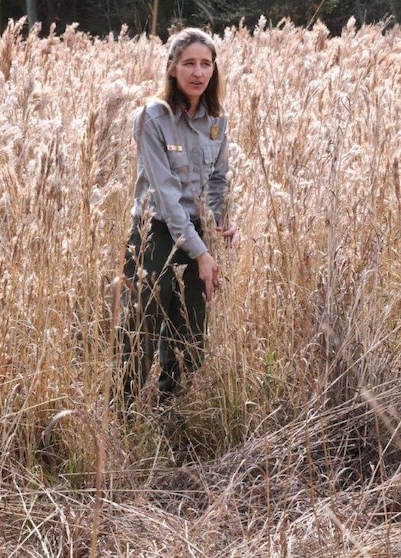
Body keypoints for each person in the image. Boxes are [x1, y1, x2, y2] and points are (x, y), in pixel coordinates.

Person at [116, 27, 238, 417]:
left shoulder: (216, 121)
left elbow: (217, 179)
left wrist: (219, 221)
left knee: (192, 339)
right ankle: (126, 418)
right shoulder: (152, 118)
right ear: (172, 69)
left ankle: (167, 414)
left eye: (205, 63)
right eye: (189, 63)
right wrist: (202, 253)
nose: (198, 72)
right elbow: (166, 196)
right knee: (141, 334)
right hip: (154, 234)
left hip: (196, 237)